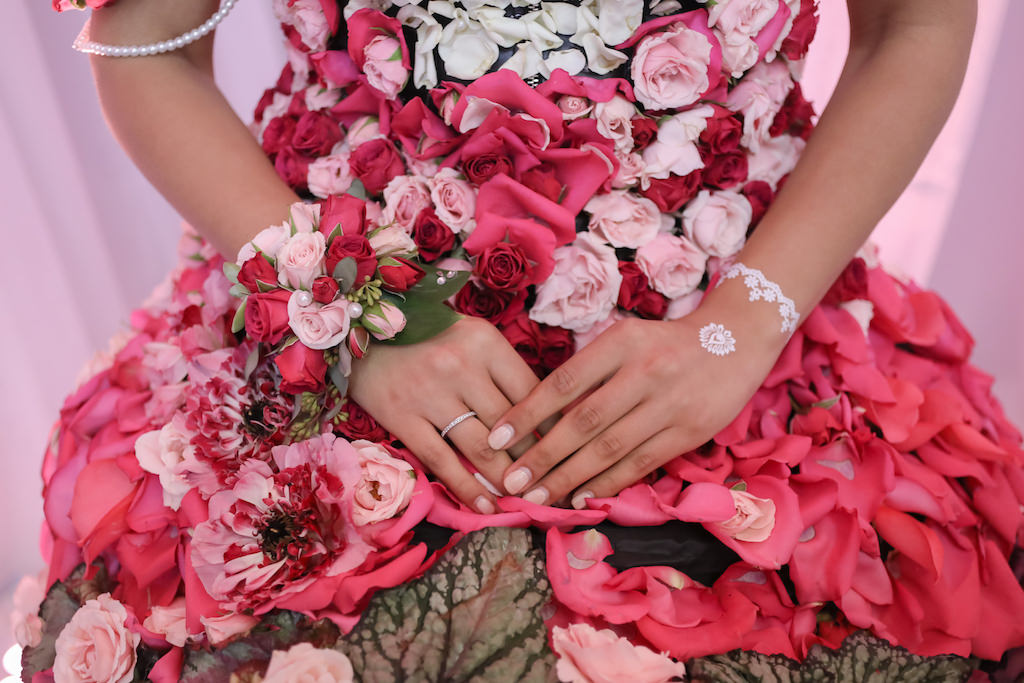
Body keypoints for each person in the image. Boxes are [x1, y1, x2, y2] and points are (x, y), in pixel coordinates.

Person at [23, 0, 1024, 680]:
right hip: (335, 340)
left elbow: (916, 21)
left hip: (748, 341)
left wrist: (742, 325)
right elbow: (144, 43)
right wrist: (353, 316)